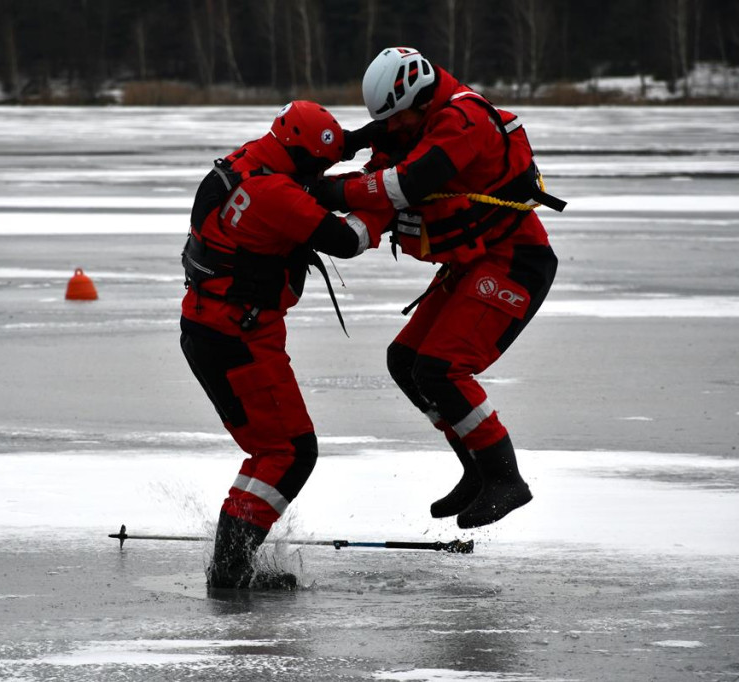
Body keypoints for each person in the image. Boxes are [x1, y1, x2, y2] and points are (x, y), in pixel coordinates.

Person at [310, 47, 564, 530]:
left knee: (442, 368)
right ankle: (476, 468)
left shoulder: (463, 121)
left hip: (516, 261)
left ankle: (506, 478)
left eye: (394, 118)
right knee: (405, 362)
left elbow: (406, 183)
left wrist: (328, 192)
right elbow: (375, 179)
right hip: (473, 261)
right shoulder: (414, 124)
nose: (392, 128)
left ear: (420, 97)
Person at [181, 101, 392, 589]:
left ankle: (233, 565)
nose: (323, 171)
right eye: (319, 165)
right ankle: (230, 573)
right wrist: (384, 200)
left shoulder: (256, 156)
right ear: (303, 158)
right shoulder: (276, 194)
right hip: (237, 340)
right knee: (290, 454)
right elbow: (347, 240)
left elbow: (321, 154)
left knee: (268, 452)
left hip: (211, 329)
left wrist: (364, 138)